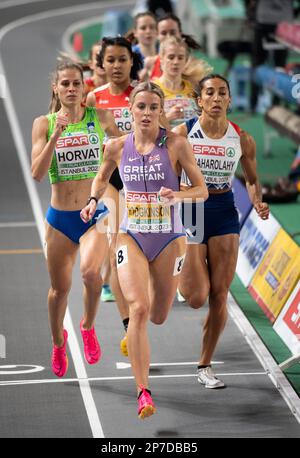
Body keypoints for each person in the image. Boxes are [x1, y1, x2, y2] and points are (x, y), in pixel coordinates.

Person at [80, 81, 208, 418]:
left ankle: (153, 293)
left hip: (169, 238)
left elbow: (202, 190)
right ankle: (143, 392)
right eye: (141, 107)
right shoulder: (117, 147)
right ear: (131, 111)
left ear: (161, 111)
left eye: (154, 107)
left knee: (158, 315)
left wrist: (177, 195)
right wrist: (94, 200)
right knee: (138, 310)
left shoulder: (177, 144)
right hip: (132, 236)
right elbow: (100, 177)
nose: (147, 113)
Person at [173, 74, 269, 388]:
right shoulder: (183, 134)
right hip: (193, 211)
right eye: (209, 93)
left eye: (222, 93)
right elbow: (170, 180)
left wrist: (258, 201)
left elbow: (252, 179)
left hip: (225, 209)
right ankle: (180, 272)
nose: (216, 99)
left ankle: (205, 365)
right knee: (196, 297)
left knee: (219, 295)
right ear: (199, 100)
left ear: (229, 99)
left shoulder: (242, 139)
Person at [31, 60, 121, 377]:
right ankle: (58, 343)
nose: (71, 88)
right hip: (59, 218)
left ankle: (87, 326)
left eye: (76, 83)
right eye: (65, 83)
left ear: (84, 88)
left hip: (93, 213)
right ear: (56, 88)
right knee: (59, 290)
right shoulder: (44, 123)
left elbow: (132, 145)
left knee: (91, 275)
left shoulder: (102, 117)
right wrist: (56, 135)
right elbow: (37, 174)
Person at [87, 36, 143, 356]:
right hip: (112, 178)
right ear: (102, 63)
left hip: (143, 181)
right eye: (111, 60)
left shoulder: (142, 94)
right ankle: (128, 327)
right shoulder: (94, 99)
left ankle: (140, 311)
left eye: (123, 59)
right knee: (115, 251)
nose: (117, 65)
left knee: (142, 253)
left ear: (130, 62)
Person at [154, 36, 211, 127]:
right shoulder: (152, 89)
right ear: (161, 59)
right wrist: (167, 118)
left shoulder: (194, 89)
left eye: (180, 58)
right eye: (171, 57)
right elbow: (142, 127)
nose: (176, 62)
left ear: (186, 61)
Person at [250, 0, 294, 112]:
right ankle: (277, 105)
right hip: (284, 21)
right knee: (280, 65)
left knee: (257, 63)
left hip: (263, 20)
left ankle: (253, 104)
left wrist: (251, 13)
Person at [142, 13, 202, 81]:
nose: (168, 37)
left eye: (172, 32)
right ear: (157, 35)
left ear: (180, 33)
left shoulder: (193, 66)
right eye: (164, 33)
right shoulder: (150, 63)